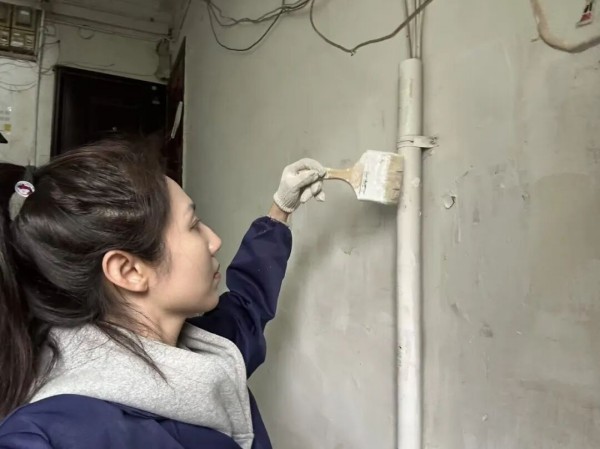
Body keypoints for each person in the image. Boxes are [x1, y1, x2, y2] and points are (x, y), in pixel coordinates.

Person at [0, 138, 326, 449]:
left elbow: (247, 304)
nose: (214, 241)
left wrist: (280, 209)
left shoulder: (203, 349)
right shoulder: (53, 434)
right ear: (129, 271)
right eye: (194, 225)